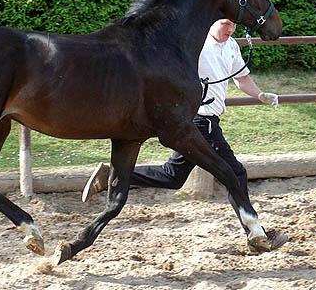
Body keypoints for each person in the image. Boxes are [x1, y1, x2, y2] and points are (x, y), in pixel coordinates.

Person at [82, 18, 288, 253]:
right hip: (200, 120)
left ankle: (113, 175)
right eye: (225, 24)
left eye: (233, 25)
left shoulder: (231, 46)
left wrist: (260, 94)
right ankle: (256, 235)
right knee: (235, 173)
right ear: (210, 22)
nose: (230, 29)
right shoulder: (195, 46)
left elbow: (241, 79)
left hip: (206, 121)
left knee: (173, 176)